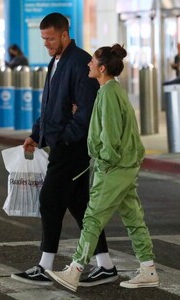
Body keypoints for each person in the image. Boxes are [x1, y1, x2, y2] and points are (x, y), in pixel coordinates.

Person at [11, 12, 117, 287]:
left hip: (72, 148)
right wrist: (37, 134)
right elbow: (51, 106)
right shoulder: (56, 61)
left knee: (49, 200)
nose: (46, 43)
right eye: (43, 39)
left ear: (64, 34)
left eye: (49, 38)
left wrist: (62, 139)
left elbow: (85, 112)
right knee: (80, 205)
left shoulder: (80, 62)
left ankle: (45, 266)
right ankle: (105, 265)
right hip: (61, 143)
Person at [46, 43, 160, 292]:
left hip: (114, 166)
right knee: (132, 217)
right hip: (126, 164)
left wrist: (104, 164)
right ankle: (148, 269)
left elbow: (109, 136)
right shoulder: (112, 90)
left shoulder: (107, 93)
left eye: (92, 62)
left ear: (102, 67)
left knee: (93, 217)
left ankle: (75, 270)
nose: (88, 64)